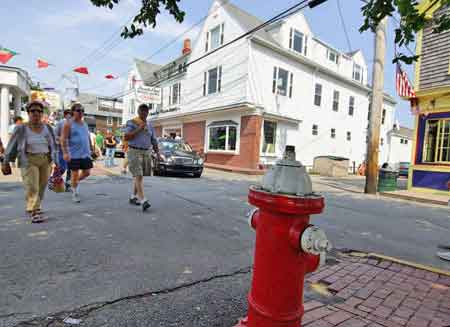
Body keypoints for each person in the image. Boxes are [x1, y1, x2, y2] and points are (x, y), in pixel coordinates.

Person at [1, 100, 57, 223]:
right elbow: (12, 145)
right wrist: (5, 161)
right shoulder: (21, 128)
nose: (36, 113)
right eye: (33, 111)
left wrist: (56, 160)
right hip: (28, 159)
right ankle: (35, 210)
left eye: (39, 111)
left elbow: (53, 144)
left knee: (42, 186)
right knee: (33, 186)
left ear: (42, 113)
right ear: (28, 113)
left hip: (45, 159)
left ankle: (33, 205)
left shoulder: (48, 127)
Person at [124, 104, 160, 211]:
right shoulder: (132, 122)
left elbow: (153, 140)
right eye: (142, 111)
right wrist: (139, 129)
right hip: (134, 150)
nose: (144, 113)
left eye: (146, 111)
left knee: (140, 176)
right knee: (138, 175)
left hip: (146, 152)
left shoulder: (150, 125)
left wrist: (158, 153)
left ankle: (133, 197)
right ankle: (143, 200)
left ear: (148, 112)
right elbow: (126, 136)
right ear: (138, 111)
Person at [61, 103, 93, 203]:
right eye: (78, 110)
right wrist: (65, 153)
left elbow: (87, 136)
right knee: (74, 174)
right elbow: (63, 139)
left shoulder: (85, 124)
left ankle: (73, 182)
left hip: (85, 153)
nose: (81, 113)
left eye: (82, 111)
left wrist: (91, 148)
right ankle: (75, 193)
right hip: (74, 154)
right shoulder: (68, 124)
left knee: (87, 172)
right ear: (73, 112)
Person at [54, 109, 72, 192]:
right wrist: (62, 139)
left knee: (70, 168)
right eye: (69, 114)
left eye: (71, 114)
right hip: (62, 149)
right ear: (65, 115)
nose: (70, 116)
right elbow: (54, 135)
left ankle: (68, 185)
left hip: (72, 149)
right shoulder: (60, 123)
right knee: (62, 167)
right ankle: (54, 179)